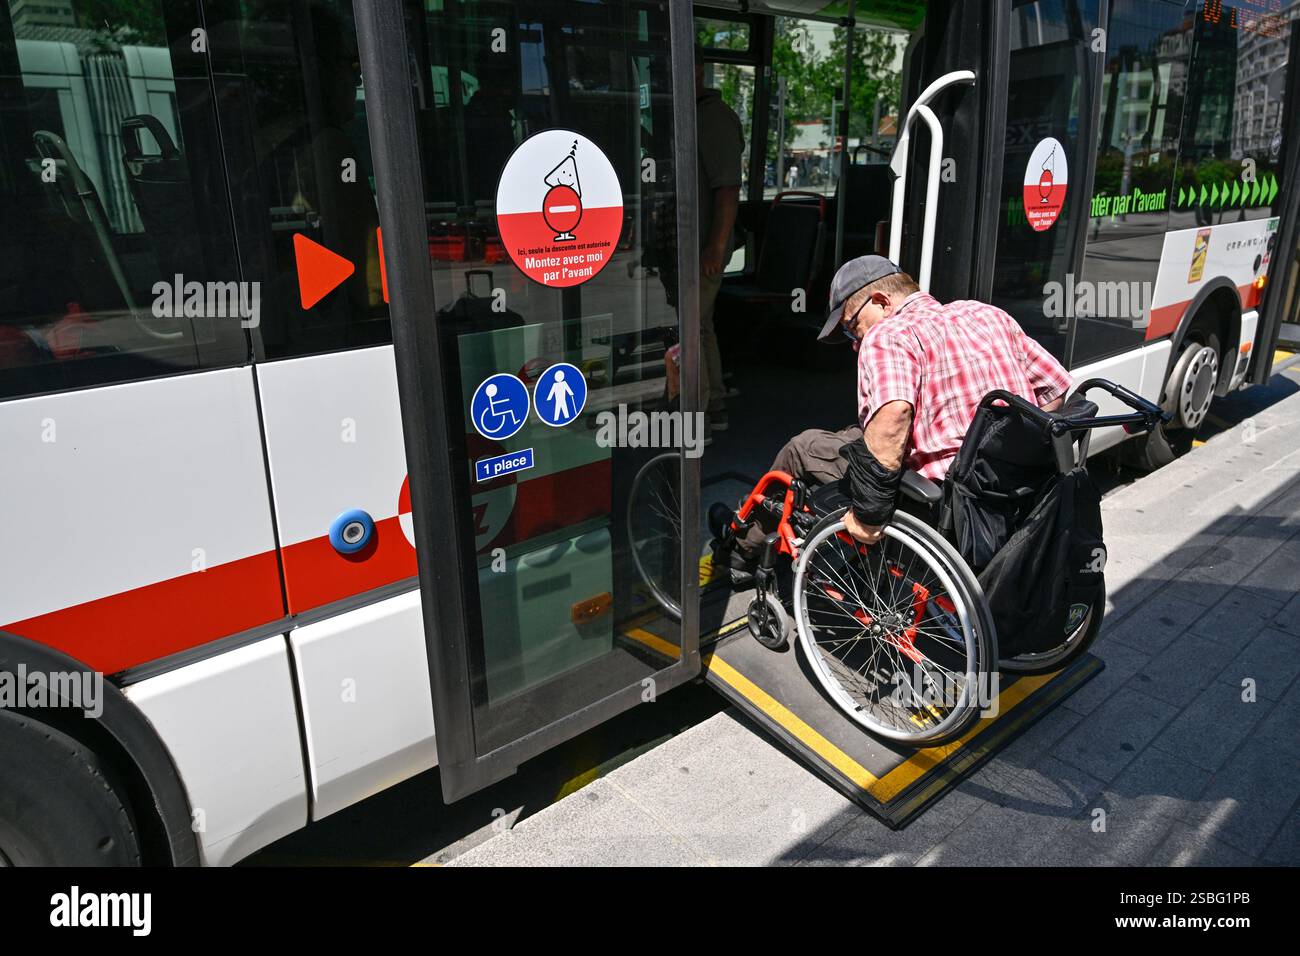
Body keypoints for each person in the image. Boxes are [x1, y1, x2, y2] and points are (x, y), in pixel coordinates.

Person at [720, 255, 1072, 578]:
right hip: (1004, 486)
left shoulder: (888, 335)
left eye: (850, 327)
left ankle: (740, 549)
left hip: (941, 495)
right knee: (851, 433)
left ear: (881, 301)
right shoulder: (984, 313)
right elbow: (1054, 389)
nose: (854, 342)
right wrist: (1014, 454)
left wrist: (868, 514)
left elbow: (895, 415)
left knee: (800, 448)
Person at [694, 48, 744, 434]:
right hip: (697, 243)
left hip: (704, 245)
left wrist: (715, 246)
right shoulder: (695, 113)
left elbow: (728, 189)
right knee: (700, 323)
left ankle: (705, 411)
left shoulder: (711, 118)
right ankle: (714, 402)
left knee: (691, 325)